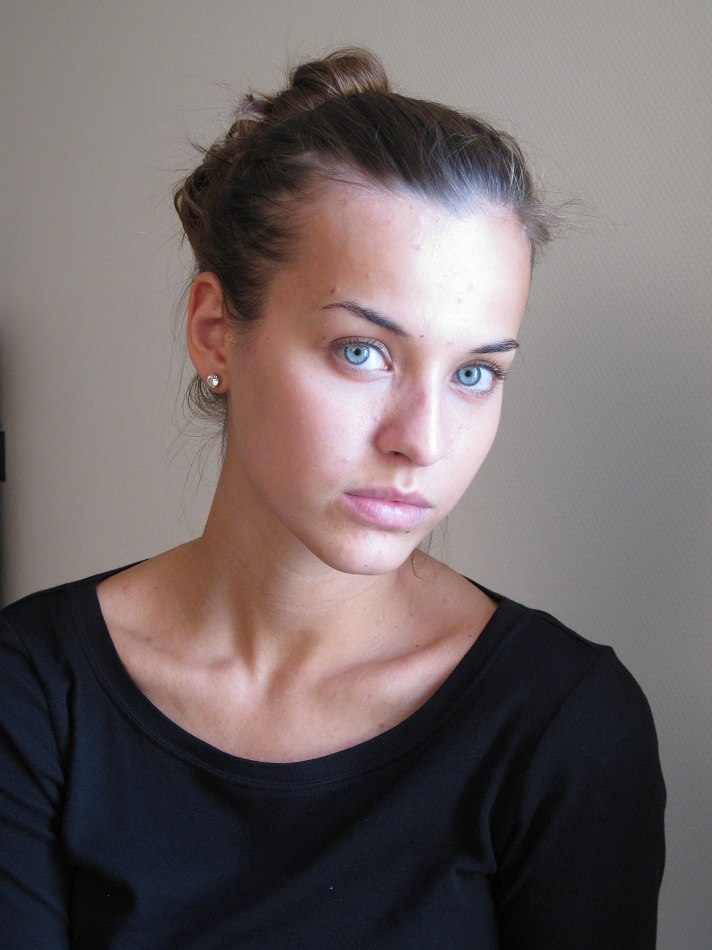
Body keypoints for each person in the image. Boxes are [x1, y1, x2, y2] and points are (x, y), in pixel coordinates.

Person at [0, 48, 664, 949]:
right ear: (216, 333)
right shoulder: (34, 690)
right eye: (363, 352)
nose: (422, 440)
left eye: (475, 372)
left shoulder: (565, 726)